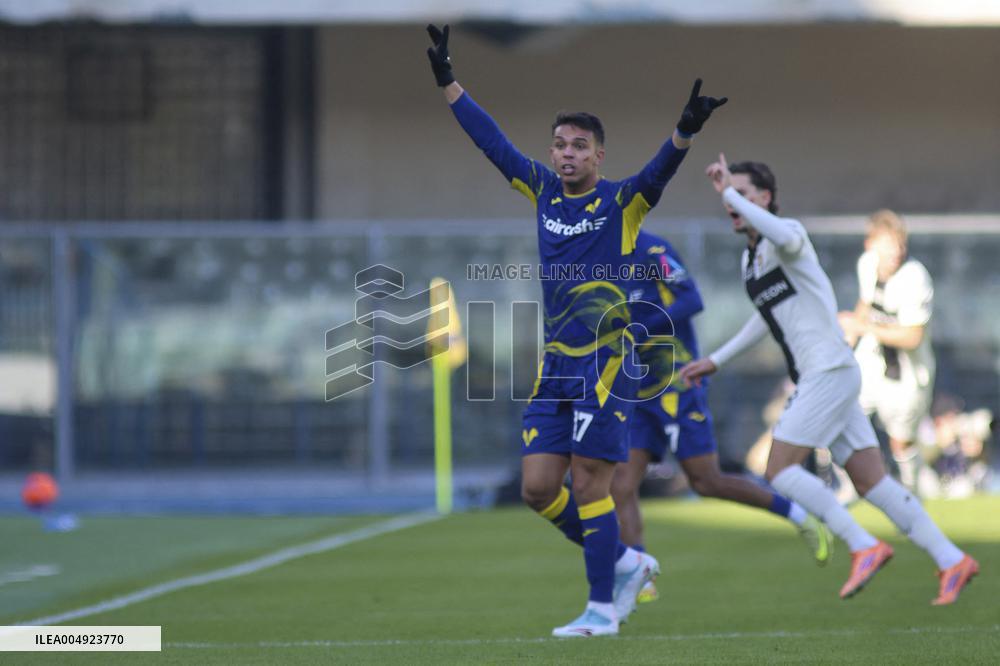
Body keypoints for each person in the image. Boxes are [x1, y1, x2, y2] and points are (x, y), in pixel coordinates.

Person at [425, 24, 726, 635]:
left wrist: (685, 130)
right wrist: (449, 82)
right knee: (539, 488)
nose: (566, 153)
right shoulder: (541, 190)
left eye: (579, 146)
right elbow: (492, 142)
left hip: (604, 367)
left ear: (598, 156)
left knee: (591, 485)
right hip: (556, 365)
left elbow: (659, 172)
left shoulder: (622, 203)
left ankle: (601, 609)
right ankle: (624, 562)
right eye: (560, 144)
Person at [678, 155, 979, 605]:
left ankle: (862, 544)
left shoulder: (789, 235)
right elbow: (765, 316)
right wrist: (716, 360)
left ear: (765, 198)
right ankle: (952, 559)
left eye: (743, 194)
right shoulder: (751, 259)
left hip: (829, 371)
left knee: (778, 470)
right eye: (729, 195)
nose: (731, 202)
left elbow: (781, 234)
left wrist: (727, 192)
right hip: (825, 375)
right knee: (872, 481)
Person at [612, 229, 833, 604]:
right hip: (638, 389)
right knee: (621, 485)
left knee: (707, 481)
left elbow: (691, 299)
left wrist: (642, 326)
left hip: (678, 383)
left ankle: (799, 515)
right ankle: (640, 575)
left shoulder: (653, 250)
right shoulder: (597, 255)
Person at [838, 211, 935, 493]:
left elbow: (912, 337)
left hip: (907, 373)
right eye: (889, 244)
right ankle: (848, 487)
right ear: (871, 244)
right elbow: (866, 303)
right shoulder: (867, 264)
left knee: (900, 442)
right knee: (842, 415)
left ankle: (912, 493)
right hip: (871, 362)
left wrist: (863, 326)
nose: (896, 252)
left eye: (900, 244)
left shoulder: (915, 278)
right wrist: (848, 339)